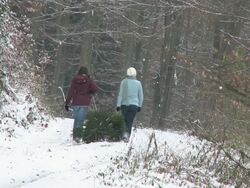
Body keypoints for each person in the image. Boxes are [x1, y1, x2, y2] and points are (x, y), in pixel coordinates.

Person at [65, 66, 98, 142]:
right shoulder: (88, 80)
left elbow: (71, 91)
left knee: (76, 120)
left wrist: (67, 103)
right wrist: (90, 93)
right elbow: (95, 89)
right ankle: (78, 136)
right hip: (85, 103)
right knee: (81, 120)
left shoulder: (74, 79)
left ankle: (75, 136)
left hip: (75, 102)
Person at [116, 67, 143, 140]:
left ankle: (124, 134)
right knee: (130, 121)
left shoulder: (123, 82)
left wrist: (118, 105)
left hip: (124, 105)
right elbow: (141, 96)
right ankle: (127, 136)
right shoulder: (138, 83)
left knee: (124, 120)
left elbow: (120, 94)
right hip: (134, 106)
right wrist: (140, 106)